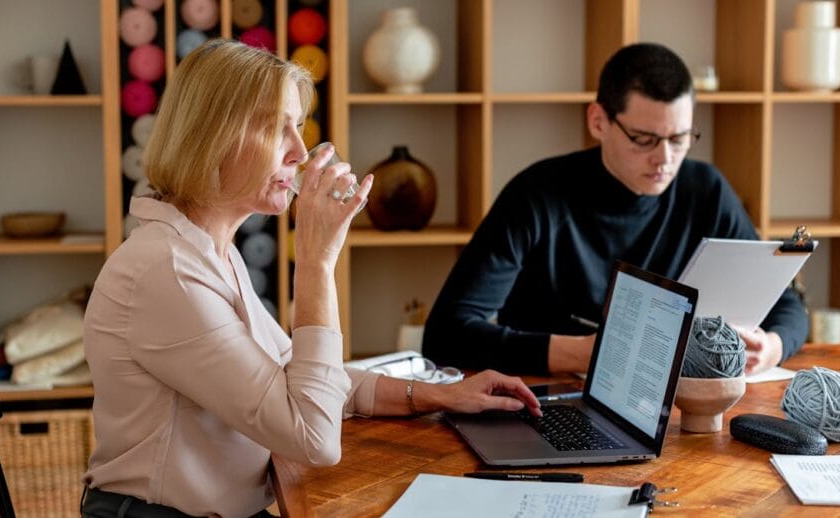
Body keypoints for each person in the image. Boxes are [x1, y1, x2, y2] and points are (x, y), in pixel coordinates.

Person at [80, 40, 540, 518]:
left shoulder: (210, 252)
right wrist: (317, 262)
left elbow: (302, 377)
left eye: (297, 127)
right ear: (210, 135)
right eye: (274, 128)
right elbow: (313, 436)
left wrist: (441, 395)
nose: (299, 152)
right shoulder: (168, 271)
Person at [423, 42, 808, 377]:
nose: (664, 159)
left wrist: (772, 346)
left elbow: (787, 305)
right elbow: (445, 334)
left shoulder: (705, 189)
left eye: (679, 139)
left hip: (667, 409)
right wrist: (585, 353)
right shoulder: (537, 195)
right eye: (644, 140)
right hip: (546, 399)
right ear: (598, 121)